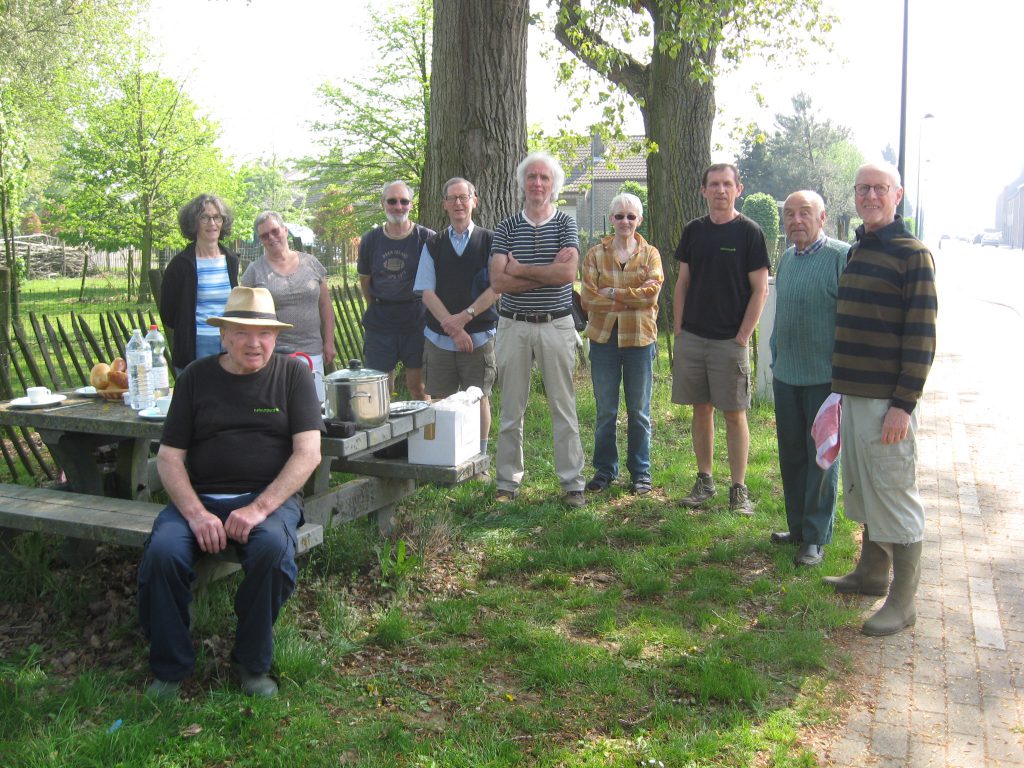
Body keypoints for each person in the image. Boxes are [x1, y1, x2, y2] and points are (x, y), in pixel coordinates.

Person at [138, 286, 324, 698]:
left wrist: (259, 509)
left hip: (268, 500)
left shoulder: (293, 376)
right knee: (162, 553)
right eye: (241, 332)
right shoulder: (195, 378)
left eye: (264, 333)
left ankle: (251, 661)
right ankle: (170, 667)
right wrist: (196, 514)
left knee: (273, 553)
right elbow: (169, 457)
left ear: (276, 337)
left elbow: (308, 453)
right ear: (223, 335)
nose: (253, 343)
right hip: (200, 498)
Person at [823, 162, 937, 636]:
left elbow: (921, 337)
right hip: (854, 394)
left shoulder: (914, 255)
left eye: (879, 188)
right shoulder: (857, 250)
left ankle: (903, 603)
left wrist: (902, 406)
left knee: (894, 494)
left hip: (887, 402)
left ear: (897, 195)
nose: (870, 195)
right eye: (863, 188)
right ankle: (871, 574)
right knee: (866, 489)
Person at [671, 163, 770, 515]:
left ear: (738, 189)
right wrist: (679, 329)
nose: (720, 191)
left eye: (727, 184)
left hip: (731, 341)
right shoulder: (693, 231)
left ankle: (738, 488)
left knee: (734, 414)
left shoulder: (750, 233)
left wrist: (743, 335)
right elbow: (682, 282)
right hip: (694, 338)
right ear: (703, 191)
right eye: (714, 185)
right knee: (701, 410)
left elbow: (760, 290)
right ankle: (704, 480)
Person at [490, 151, 586, 508]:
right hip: (513, 326)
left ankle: (573, 484)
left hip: (556, 325)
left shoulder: (565, 224)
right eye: (532, 177)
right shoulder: (506, 227)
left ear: (554, 185)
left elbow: (566, 275)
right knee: (511, 409)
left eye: (545, 178)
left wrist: (520, 270)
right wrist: (541, 271)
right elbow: (497, 281)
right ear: (522, 184)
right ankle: (507, 483)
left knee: (564, 406)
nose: (538, 183)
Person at [769, 190, 850, 566]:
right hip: (787, 374)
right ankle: (797, 527)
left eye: (805, 213)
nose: (796, 220)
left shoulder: (840, 257)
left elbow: (850, 321)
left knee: (821, 458)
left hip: (824, 379)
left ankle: (816, 537)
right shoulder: (785, 259)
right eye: (790, 214)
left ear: (823, 217)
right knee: (792, 454)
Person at [580, 193, 663, 496]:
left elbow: (652, 294)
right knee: (606, 411)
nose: (625, 221)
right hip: (604, 340)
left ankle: (641, 472)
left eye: (631, 216)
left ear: (639, 220)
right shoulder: (594, 255)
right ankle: (604, 470)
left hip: (640, 340)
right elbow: (588, 299)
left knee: (639, 411)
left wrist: (612, 291)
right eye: (619, 216)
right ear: (611, 219)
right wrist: (632, 296)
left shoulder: (651, 254)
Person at [413, 177, 499, 454]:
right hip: (439, 339)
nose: (458, 203)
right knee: (441, 398)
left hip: (479, 336)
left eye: (464, 197)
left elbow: (497, 288)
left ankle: (480, 456)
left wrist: (463, 319)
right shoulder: (433, 244)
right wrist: (453, 329)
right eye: (452, 198)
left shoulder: (490, 241)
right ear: (444, 205)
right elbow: (426, 291)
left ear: (474, 201)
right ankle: (447, 454)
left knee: (479, 397)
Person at [242, 211, 335, 400]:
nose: (271, 238)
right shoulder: (255, 271)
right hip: (274, 354)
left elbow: (325, 305)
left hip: (312, 351)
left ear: (285, 230)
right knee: (280, 409)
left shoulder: (311, 263)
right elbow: (245, 314)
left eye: (275, 231)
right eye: (264, 236)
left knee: (315, 407)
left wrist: (329, 342)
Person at [357, 181, 434, 399]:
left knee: (418, 387)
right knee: (379, 390)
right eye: (392, 201)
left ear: (411, 205)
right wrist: (376, 306)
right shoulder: (370, 240)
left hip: (417, 320)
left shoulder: (426, 238)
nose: (398, 206)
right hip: (381, 321)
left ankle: (424, 433)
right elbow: (365, 281)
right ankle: (386, 433)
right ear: (383, 203)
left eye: (403, 201)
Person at [160, 194, 239, 373]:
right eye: (204, 217)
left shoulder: (231, 260)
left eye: (217, 217)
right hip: (195, 345)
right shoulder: (180, 265)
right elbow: (168, 314)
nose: (212, 223)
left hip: (229, 343)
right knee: (197, 399)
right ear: (193, 223)